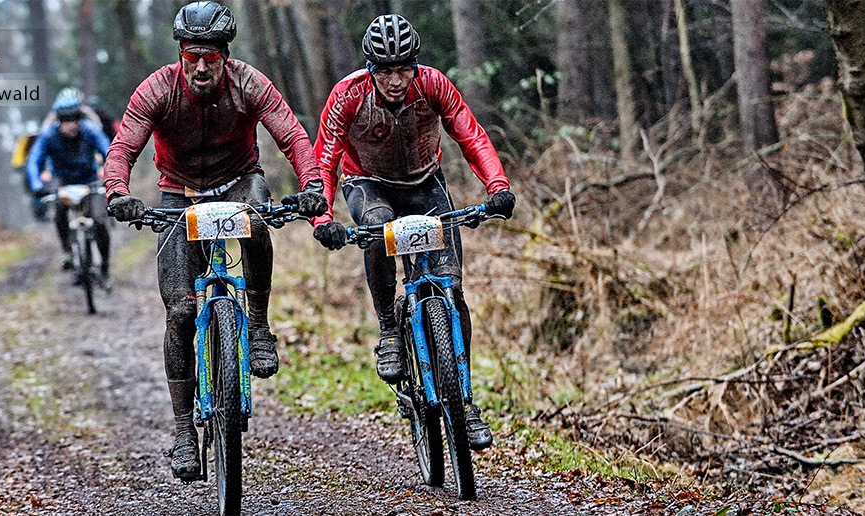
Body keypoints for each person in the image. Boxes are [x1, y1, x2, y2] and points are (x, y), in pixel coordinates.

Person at [103, 1, 328, 481]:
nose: (201, 67)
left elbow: (292, 136)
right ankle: (184, 431)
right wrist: (118, 191)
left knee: (259, 221)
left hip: (238, 181)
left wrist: (311, 185)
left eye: (210, 57)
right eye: (192, 57)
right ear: (181, 55)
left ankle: (260, 326)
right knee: (181, 312)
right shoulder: (158, 89)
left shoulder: (250, 83)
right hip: (177, 193)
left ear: (226, 55)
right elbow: (123, 146)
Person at [309, 14, 516, 451]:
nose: (396, 80)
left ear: (415, 66)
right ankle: (389, 332)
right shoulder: (348, 95)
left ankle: (467, 402)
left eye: (404, 69)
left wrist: (497, 187)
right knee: (376, 230)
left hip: (426, 184)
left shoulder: (434, 85)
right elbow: (324, 157)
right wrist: (322, 217)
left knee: (453, 292)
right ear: (371, 70)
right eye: (385, 71)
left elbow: (471, 135)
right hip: (369, 184)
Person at [26, 93, 113, 277]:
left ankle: (105, 264)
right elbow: (34, 160)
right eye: (66, 120)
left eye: (75, 119)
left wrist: (110, 172)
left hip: (90, 178)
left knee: (99, 220)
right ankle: (68, 251)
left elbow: (108, 150)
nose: (71, 124)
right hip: (62, 179)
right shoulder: (49, 134)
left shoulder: (90, 130)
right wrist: (37, 185)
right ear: (59, 120)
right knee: (59, 210)